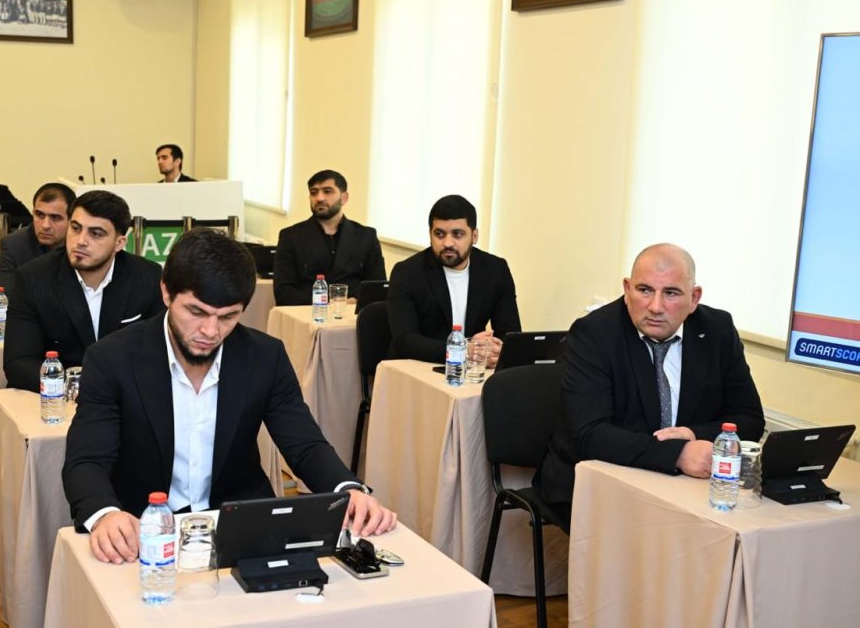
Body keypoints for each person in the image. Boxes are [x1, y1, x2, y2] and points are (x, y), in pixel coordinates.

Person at [63, 228, 397, 564]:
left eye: (228, 317)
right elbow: (87, 459)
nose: (210, 331)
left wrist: (346, 489)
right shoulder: (112, 358)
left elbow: (305, 444)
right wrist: (105, 514)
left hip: (241, 526)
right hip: (143, 530)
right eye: (196, 312)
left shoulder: (264, 357)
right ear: (166, 292)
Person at [537, 243, 766, 505]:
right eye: (644, 290)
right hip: (601, 482)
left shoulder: (717, 330)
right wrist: (679, 454)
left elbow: (750, 420)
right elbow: (591, 434)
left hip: (687, 486)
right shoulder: (594, 334)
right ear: (627, 290)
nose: (656, 306)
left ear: (694, 298)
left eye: (671, 293)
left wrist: (693, 434)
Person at [3, 190, 164, 392]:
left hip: (124, 395)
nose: (80, 241)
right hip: (57, 398)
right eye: (76, 228)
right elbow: (18, 363)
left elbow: (158, 352)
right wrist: (78, 388)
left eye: (96, 234)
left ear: (119, 243)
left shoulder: (147, 276)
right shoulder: (33, 278)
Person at [387, 194, 520, 365]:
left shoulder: (495, 269)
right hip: (420, 366)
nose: (448, 243)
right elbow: (405, 341)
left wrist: (495, 351)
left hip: (472, 368)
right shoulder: (407, 272)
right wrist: (463, 351)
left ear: (474, 236)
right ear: (430, 234)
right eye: (439, 234)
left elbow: (510, 334)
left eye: (457, 234)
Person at [273, 170, 386, 305]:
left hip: (352, 312)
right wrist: (327, 303)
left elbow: (377, 288)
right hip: (306, 311)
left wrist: (354, 300)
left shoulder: (366, 236)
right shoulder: (291, 236)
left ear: (344, 197)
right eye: (314, 192)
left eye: (327, 191)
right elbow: (283, 291)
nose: (319, 198)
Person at [0, 182, 75, 293]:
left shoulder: (81, 244)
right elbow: (3, 299)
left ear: (71, 219)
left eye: (55, 218)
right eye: (40, 215)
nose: (45, 225)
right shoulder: (14, 245)